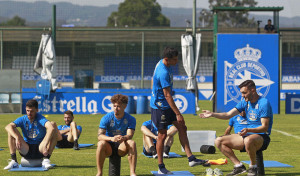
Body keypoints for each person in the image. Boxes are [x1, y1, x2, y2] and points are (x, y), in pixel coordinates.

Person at [151, 47, 208, 174]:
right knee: (162, 135)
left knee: (182, 127)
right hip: (160, 107)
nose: (177, 61)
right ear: (167, 59)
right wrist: (178, 113)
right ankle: (161, 167)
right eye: (175, 59)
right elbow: (167, 95)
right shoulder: (163, 72)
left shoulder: (163, 63)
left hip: (166, 104)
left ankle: (191, 159)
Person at [199, 80, 273, 176]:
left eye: (244, 93)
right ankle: (239, 166)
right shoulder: (244, 102)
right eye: (241, 93)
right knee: (219, 141)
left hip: (262, 137)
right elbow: (228, 115)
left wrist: (248, 130)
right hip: (247, 136)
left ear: (253, 90)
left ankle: (253, 168)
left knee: (248, 140)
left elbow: (264, 127)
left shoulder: (263, 103)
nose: (242, 95)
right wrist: (212, 114)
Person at [4, 99, 58, 170]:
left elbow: (51, 128)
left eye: (32, 111)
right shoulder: (23, 119)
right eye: (27, 111)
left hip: (41, 149)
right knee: (11, 129)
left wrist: (45, 143)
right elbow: (7, 127)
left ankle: (46, 159)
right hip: (26, 149)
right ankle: (14, 161)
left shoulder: (40, 118)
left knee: (53, 126)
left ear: (37, 110)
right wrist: (16, 137)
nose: (29, 113)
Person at [96, 94, 137, 176]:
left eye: (118, 106)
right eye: (114, 106)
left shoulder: (131, 119)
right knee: (100, 143)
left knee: (132, 143)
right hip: (109, 146)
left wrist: (123, 137)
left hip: (122, 146)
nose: (115, 109)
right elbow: (100, 136)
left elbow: (130, 135)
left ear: (124, 106)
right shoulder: (106, 118)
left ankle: (132, 173)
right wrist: (111, 138)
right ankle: (99, 173)